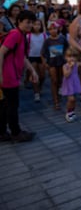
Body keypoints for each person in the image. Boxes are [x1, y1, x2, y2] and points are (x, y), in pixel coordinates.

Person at [0, 10, 38, 142]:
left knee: (5, 105)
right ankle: (16, 133)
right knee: (12, 105)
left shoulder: (21, 35)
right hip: (8, 76)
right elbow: (1, 52)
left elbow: (22, 56)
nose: (30, 25)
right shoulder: (15, 34)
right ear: (19, 22)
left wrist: (32, 70)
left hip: (12, 75)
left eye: (32, 22)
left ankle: (2, 132)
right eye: (27, 22)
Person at [41, 21, 68, 110]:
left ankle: (58, 94)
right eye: (51, 29)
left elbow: (67, 48)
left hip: (61, 62)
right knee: (54, 80)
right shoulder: (47, 41)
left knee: (60, 80)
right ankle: (55, 101)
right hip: (51, 62)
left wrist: (67, 58)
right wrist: (45, 63)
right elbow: (42, 53)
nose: (53, 31)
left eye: (55, 28)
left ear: (58, 29)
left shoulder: (62, 38)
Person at [61, 47, 81, 123]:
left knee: (74, 100)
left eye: (74, 57)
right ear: (66, 57)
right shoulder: (65, 66)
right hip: (68, 84)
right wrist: (70, 67)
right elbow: (66, 75)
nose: (72, 59)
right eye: (69, 57)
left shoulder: (77, 64)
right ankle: (68, 112)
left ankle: (72, 111)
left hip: (75, 83)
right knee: (71, 99)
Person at [27, 19, 47, 102]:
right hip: (32, 56)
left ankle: (40, 87)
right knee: (34, 75)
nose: (37, 26)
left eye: (39, 24)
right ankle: (36, 93)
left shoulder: (44, 35)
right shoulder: (28, 36)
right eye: (35, 24)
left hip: (41, 57)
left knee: (42, 75)